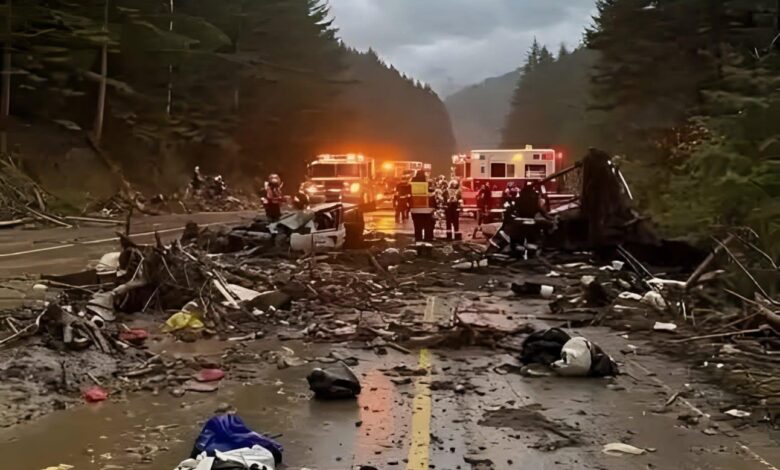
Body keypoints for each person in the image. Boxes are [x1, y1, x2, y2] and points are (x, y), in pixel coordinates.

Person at [409, 170, 435, 241]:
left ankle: (418, 237)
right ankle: (428, 237)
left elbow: (409, 195)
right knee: (428, 225)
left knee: (417, 225)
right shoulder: (428, 182)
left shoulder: (412, 183)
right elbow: (432, 194)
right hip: (427, 210)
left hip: (415, 209)